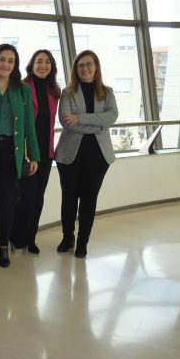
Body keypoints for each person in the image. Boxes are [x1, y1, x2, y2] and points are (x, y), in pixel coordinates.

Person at [0, 44, 39, 269]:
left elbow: (28, 125)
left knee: (7, 203)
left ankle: (3, 245)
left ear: (15, 65)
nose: (6, 64)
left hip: (11, 153)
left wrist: (33, 155)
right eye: (2, 59)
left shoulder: (22, 90)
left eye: (11, 61)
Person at [55, 50, 118, 258]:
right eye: (81, 65)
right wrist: (97, 123)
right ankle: (67, 237)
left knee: (89, 199)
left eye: (89, 64)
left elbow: (112, 117)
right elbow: (66, 122)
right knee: (69, 198)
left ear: (96, 67)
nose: (85, 68)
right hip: (70, 154)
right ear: (76, 69)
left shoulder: (107, 92)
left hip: (98, 155)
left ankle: (83, 242)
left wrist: (80, 118)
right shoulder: (68, 92)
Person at [11, 49, 61, 254]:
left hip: (46, 152)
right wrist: (27, 153)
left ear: (52, 67)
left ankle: (31, 238)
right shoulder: (22, 88)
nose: (43, 65)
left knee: (38, 195)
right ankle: (16, 236)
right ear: (31, 65)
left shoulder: (54, 91)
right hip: (26, 151)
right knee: (26, 195)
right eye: (39, 61)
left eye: (47, 62)